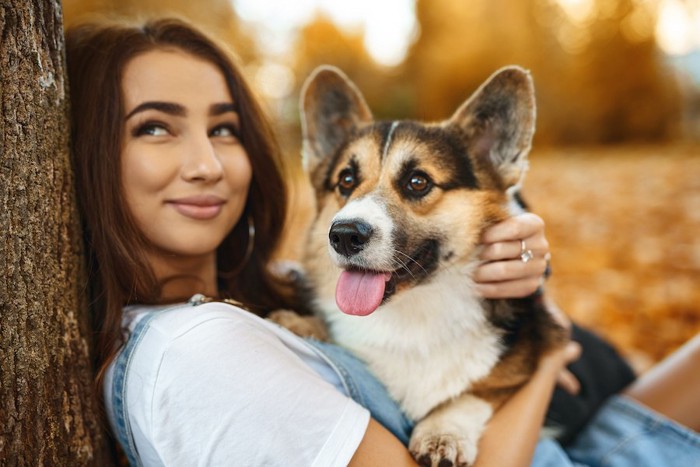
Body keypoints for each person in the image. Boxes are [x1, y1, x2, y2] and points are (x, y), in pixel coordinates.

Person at [65, 17, 699, 466]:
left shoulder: (269, 292)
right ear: (86, 152)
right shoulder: (197, 357)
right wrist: (545, 347)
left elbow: (481, 204)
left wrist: (520, 245)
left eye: (225, 128)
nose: (206, 163)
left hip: (591, 433)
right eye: (154, 129)